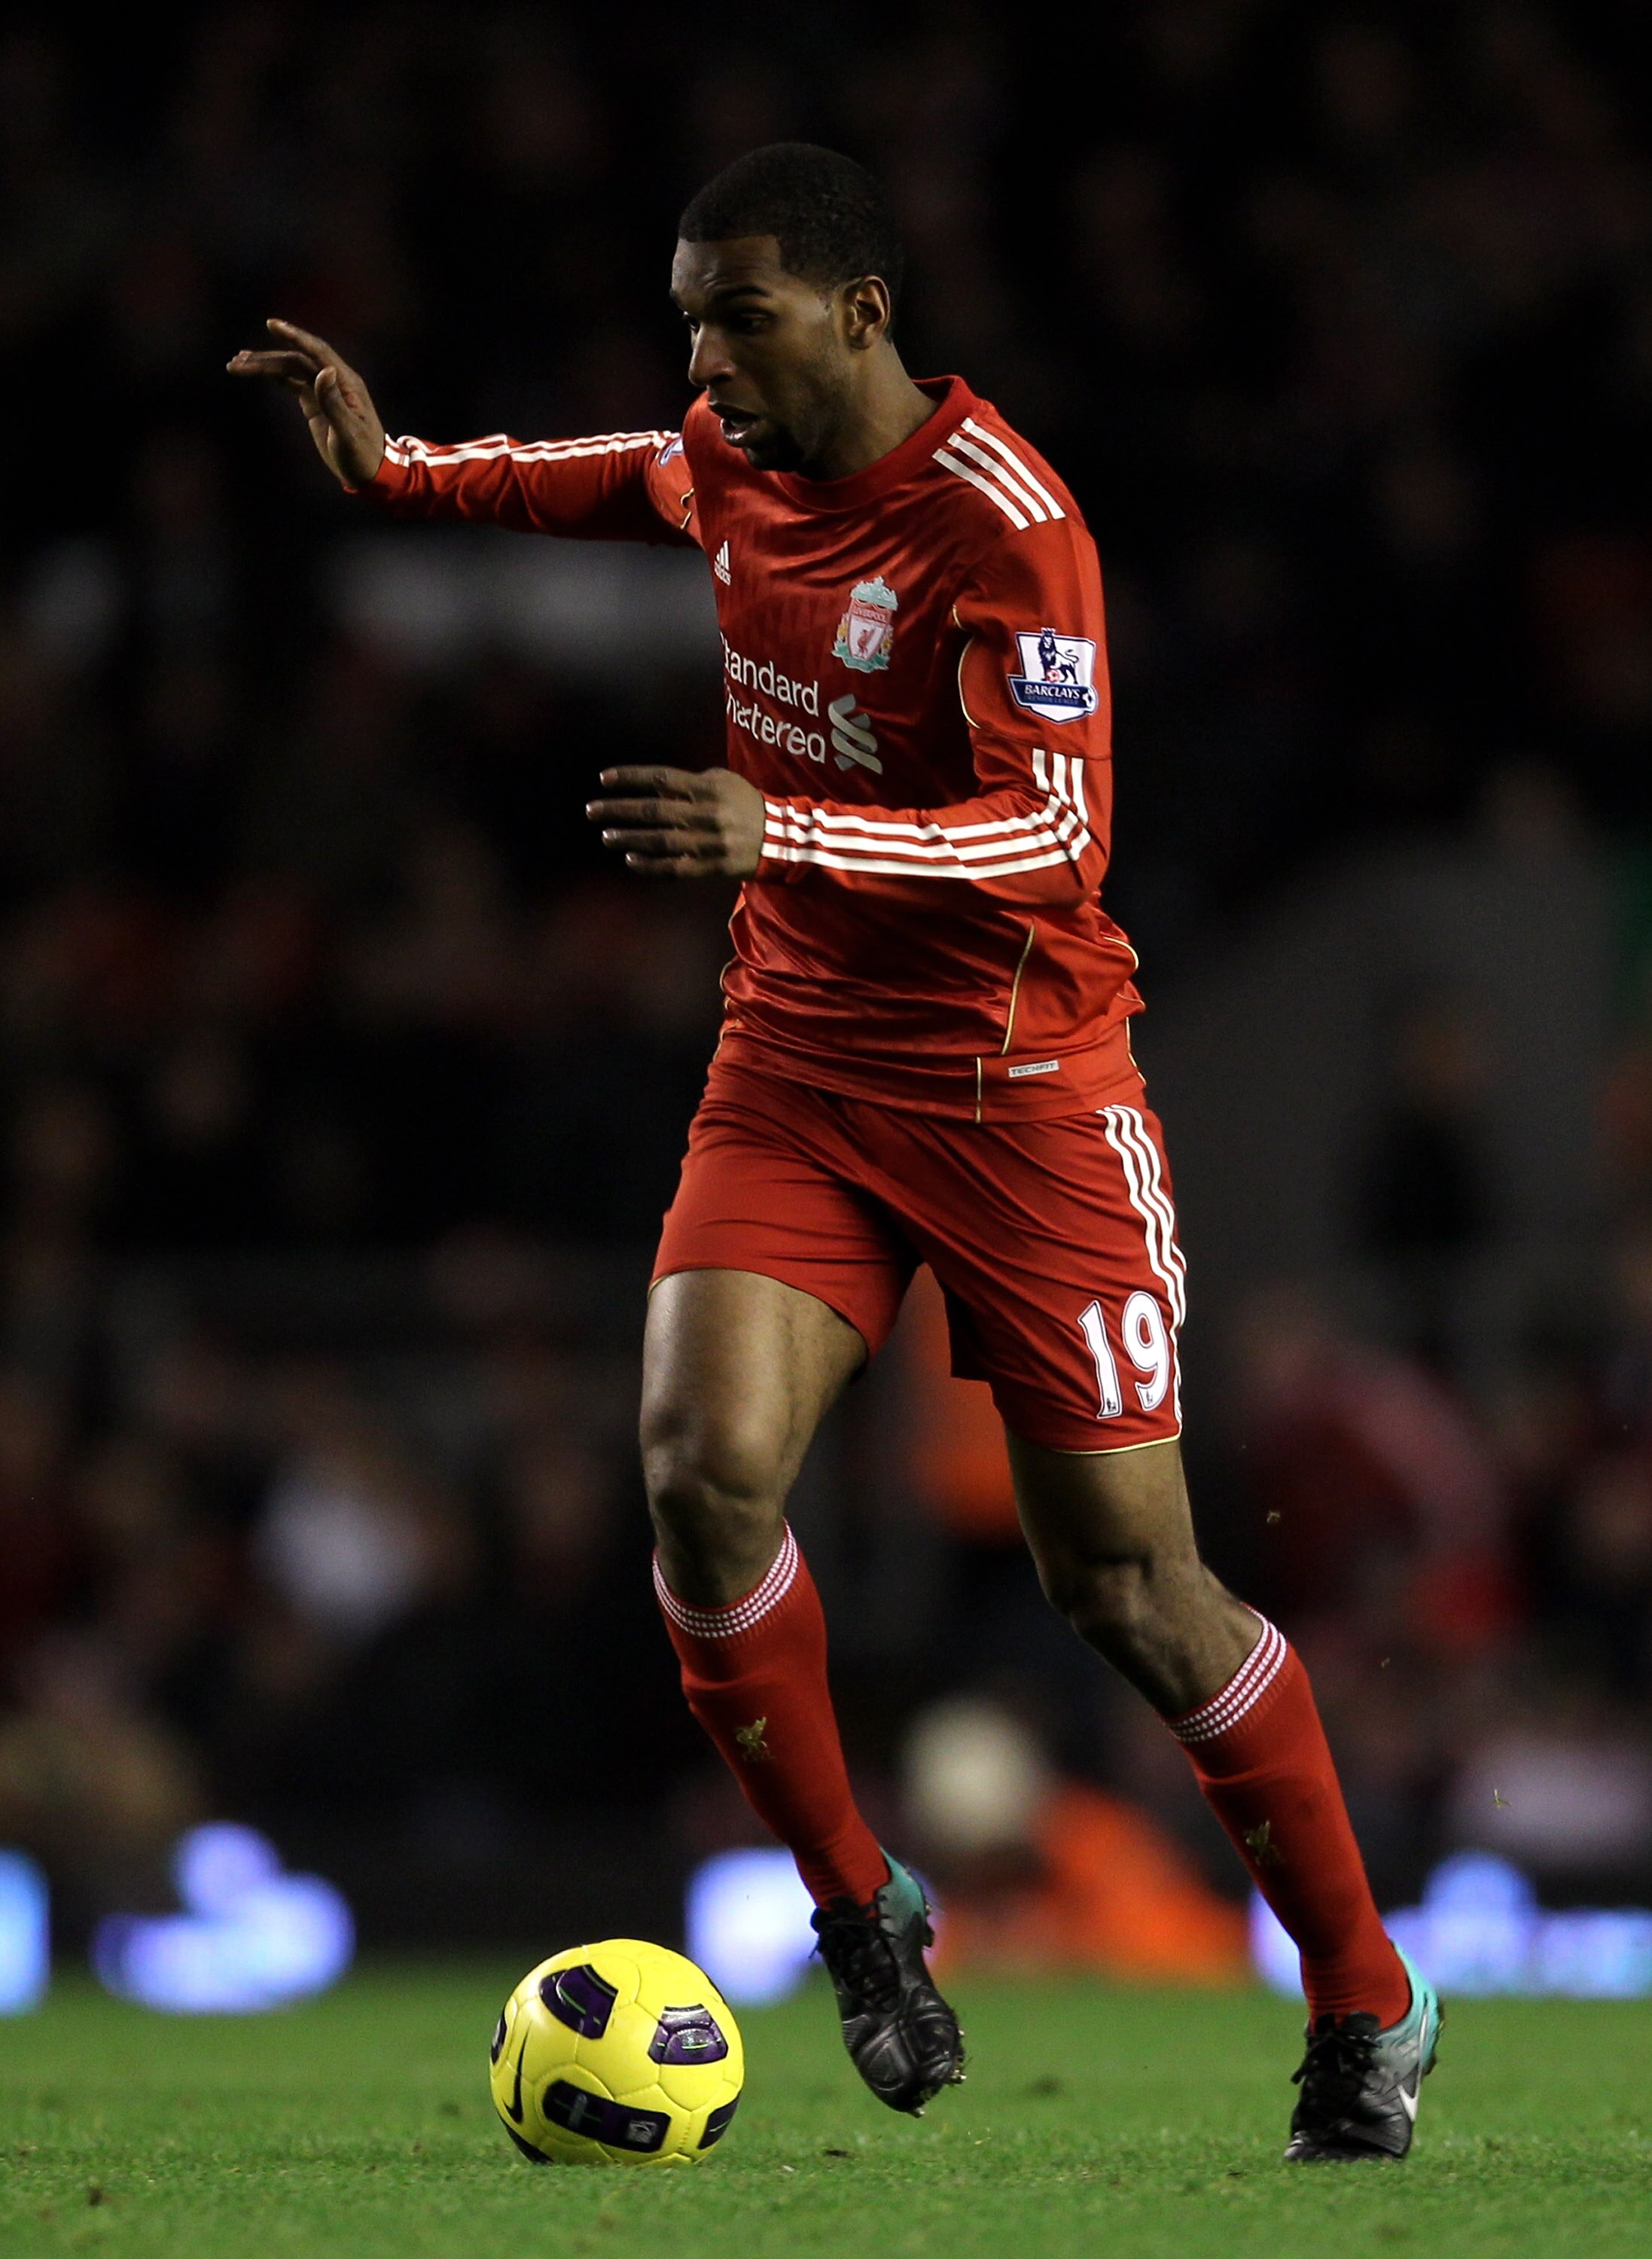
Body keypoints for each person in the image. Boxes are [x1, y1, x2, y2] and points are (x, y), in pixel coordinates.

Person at [230, 142, 1440, 2160]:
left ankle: (1362, 2000)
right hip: (794, 1067)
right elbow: (610, 473)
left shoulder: (1004, 526)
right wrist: (396, 473)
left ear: (862, 312)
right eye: (690, 315)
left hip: (1021, 1093)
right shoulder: (728, 453)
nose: (703, 358)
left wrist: (776, 827)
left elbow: (1051, 843)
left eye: (741, 314)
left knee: (1129, 1588)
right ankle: (859, 1909)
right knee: (699, 1481)